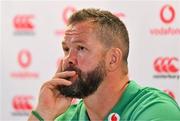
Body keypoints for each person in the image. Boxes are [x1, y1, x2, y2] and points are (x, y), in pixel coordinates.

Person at [28, 8, 180, 121]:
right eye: (66, 49)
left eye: (81, 48)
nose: (69, 59)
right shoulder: (65, 117)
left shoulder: (155, 110)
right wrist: (42, 114)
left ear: (112, 59)